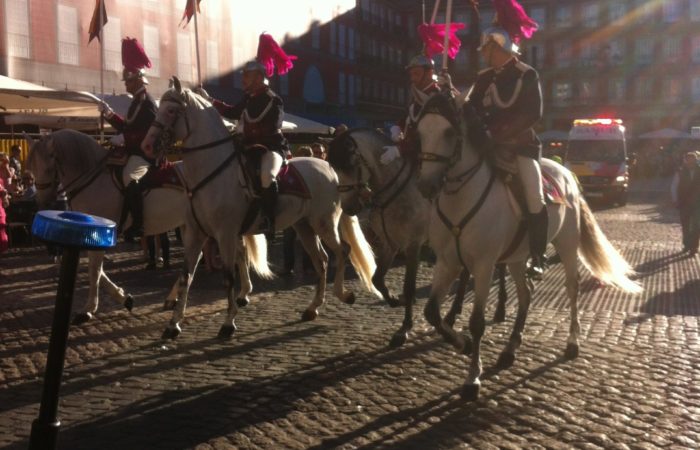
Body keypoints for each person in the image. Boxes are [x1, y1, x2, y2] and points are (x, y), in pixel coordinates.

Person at [462, 15, 545, 278]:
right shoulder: (483, 78)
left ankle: (537, 255)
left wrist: (498, 133)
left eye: (486, 49)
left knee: (534, 195)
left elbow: (533, 113)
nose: (483, 55)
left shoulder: (526, 74)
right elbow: (470, 110)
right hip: (486, 146)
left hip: (519, 145)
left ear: (498, 47)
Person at [198, 61, 289, 240]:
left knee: (267, 177)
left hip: (270, 148)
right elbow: (232, 113)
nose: (243, 79)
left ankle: (269, 219)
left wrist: (251, 135)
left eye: (247, 75)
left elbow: (274, 125)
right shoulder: (249, 99)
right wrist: (210, 101)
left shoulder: (273, 99)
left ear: (258, 77)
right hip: (249, 148)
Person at [98, 37, 156, 242]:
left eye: (129, 81)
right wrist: (109, 115)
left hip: (144, 154)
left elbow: (149, 133)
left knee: (130, 178)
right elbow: (127, 125)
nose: (127, 85)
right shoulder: (135, 103)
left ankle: (138, 224)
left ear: (140, 80)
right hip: (132, 151)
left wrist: (124, 137)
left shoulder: (147, 103)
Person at [380, 55, 442, 166]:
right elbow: (409, 117)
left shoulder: (436, 98)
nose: (413, 78)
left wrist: (400, 149)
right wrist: (398, 127)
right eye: (411, 74)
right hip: (411, 155)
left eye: (417, 74)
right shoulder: (418, 94)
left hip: (429, 160)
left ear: (429, 73)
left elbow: (429, 134)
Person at [671, 152, 700, 254]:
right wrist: (675, 199)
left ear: (696, 160)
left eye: (693, 160)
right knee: (685, 225)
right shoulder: (680, 171)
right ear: (686, 160)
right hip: (684, 202)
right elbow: (674, 186)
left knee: (696, 225)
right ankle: (686, 244)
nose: (690, 162)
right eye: (689, 160)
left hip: (697, 203)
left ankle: (694, 246)